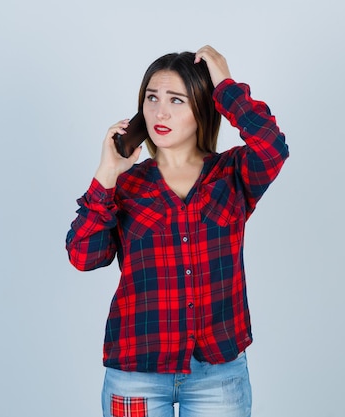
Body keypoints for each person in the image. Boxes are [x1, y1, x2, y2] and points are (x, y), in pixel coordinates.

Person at [66, 45, 289, 417]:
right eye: (151, 98)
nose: (159, 112)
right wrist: (107, 173)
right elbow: (83, 256)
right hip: (136, 371)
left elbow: (272, 147)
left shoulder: (232, 174)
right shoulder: (124, 186)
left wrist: (226, 86)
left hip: (218, 373)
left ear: (203, 106)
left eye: (176, 100)